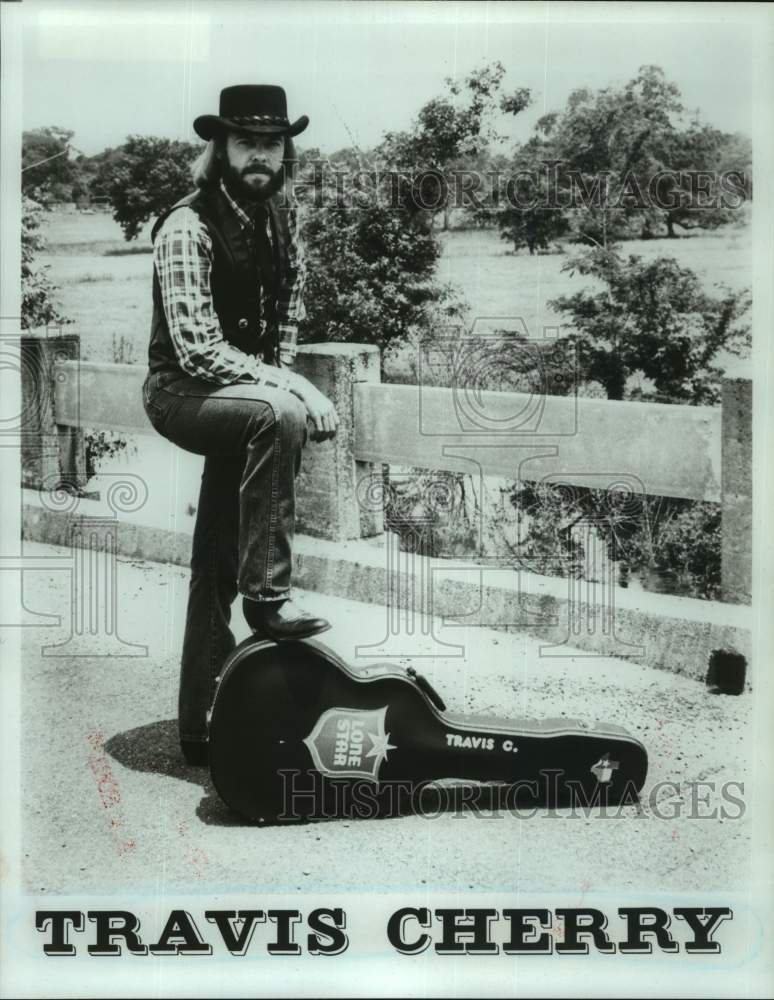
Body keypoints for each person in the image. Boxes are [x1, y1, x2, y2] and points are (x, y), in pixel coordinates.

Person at [141, 85, 339, 765]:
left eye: (273, 143)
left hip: (242, 405)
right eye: (247, 142)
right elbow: (197, 350)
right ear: (219, 148)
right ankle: (269, 597)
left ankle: (200, 721)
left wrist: (277, 375)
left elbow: (279, 335)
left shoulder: (280, 224)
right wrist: (290, 386)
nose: (261, 155)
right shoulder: (187, 227)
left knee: (214, 557)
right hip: (181, 394)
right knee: (281, 413)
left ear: (286, 152)